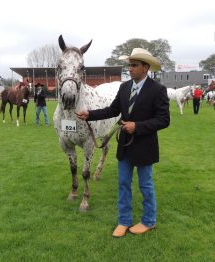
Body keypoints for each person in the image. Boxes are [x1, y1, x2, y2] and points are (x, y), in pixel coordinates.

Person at [76, 48, 170, 237]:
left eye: (134, 65)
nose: (130, 68)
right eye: (129, 65)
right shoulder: (124, 87)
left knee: (145, 185)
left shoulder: (158, 90)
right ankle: (124, 221)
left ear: (145, 67)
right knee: (123, 184)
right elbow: (112, 110)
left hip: (145, 146)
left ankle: (149, 221)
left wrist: (138, 126)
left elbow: (163, 119)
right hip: (125, 146)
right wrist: (90, 115)